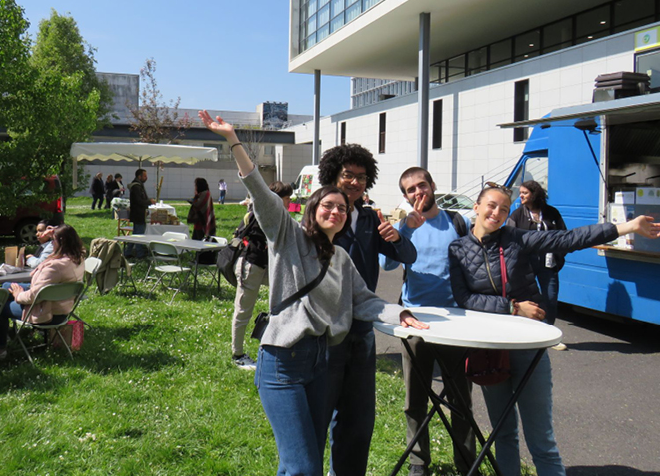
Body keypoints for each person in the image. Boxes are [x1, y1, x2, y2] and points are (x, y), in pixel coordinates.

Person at [200, 109, 429, 475]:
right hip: (288, 357)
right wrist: (232, 139)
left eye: (342, 206)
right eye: (329, 204)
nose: (338, 209)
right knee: (304, 462)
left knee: (321, 449)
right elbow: (259, 189)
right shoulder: (288, 236)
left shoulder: (345, 252)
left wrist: (400, 314)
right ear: (313, 208)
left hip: (328, 352)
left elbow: (364, 299)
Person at [449, 183, 660, 476]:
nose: (497, 213)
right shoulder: (458, 249)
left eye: (504, 208)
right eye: (491, 205)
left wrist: (626, 227)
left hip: (527, 343)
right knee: (503, 433)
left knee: (541, 439)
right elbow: (464, 299)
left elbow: (568, 239)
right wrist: (513, 307)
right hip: (489, 348)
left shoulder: (517, 238)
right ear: (476, 207)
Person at [318, 143, 417, 476]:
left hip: (362, 328)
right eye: (348, 175)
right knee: (317, 415)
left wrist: (396, 237)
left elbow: (408, 258)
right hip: (325, 330)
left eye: (362, 177)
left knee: (358, 419)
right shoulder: (322, 211)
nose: (355, 182)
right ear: (333, 174)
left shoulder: (372, 217)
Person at [382, 167, 475, 476]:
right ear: (405, 196)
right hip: (414, 320)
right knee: (414, 399)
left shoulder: (458, 222)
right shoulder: (403, 226)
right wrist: (405, 229)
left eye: (422, 185)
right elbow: (387, 262)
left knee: (461, 398)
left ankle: (467, 462)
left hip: (455, 322)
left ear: (433, 185)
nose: (418, 192)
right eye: (410, 190)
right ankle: (418, 462)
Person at [0, 224, 85, 355]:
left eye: (53, 240)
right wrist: (57, 231)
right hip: (61, 309)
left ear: (61, 242)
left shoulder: (55, 267)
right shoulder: (78, 258)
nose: (51, 244)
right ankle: (2, 332)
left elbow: (33, 296)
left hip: (46, 312)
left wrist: (18, 295)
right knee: (6, 286)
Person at [231, 180, 293, 370]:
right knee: (243, 311)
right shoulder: (266, 214)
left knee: (284, 300)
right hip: (251, 265)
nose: (289, 203)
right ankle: (238, 354)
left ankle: (274, 341)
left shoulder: (263, 211)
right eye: (286, 199)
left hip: (261, 266)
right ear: (276, 199)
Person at [508, 181, 567, 339]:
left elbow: (564, 236)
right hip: (525, 264)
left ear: (534, 194)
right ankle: (528, 332)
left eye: (525, 193)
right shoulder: (517, 215)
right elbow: (510, 238)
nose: (521, 195)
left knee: (550, 298)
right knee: (526, 298)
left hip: (548, 263)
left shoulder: (552, 213)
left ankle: (549, 333)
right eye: (520, 193)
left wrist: (559, 256)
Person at [126, 169, 154, 258]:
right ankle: (140, 253)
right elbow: (139, 201)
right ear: (139, 176)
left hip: (139, 214)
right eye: (144, 176)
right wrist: (149, 201)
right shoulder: (136, 187)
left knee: (135, 234)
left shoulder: (139, 185)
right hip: (138, 214)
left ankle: (127, 252)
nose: (146, 178)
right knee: (139, 235)